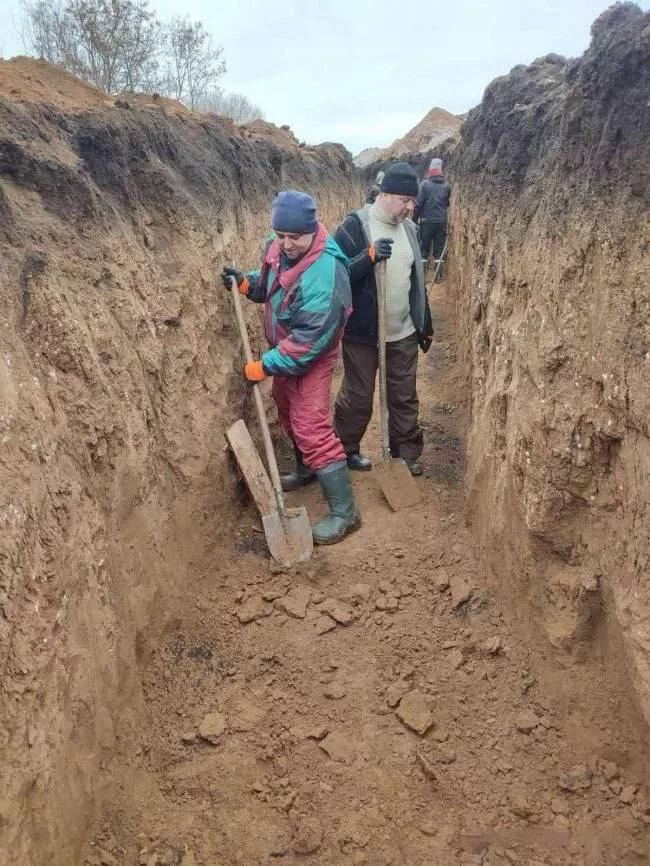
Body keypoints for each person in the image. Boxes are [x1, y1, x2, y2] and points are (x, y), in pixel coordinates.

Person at [221, 190, 360, 545]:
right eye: (280, 236)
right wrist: (250, 283)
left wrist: (264, 365)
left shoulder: (326, 273)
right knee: (286, 411)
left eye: (293, 237)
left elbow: (307, 343)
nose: (285, 244)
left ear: (312, 230)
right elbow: (272, 285)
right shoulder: (279, 243)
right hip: (284, 349)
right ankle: (306, 468)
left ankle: (346, 513)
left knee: (311, 425)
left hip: (311, 355)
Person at [332, 162, 433, 476]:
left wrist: (422, 322)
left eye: (412, 201)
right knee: (358, 396)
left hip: (401, 331)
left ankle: (404, 455)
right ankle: (346, 449)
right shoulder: (354, 227)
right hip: (362, 334)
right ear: (388, 194)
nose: (410, 207)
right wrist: (369, 257)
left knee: (403, 396)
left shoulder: (411, 230)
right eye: (406, 200)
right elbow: (336, 276)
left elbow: (416, 280)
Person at [413, 157, 451, 280]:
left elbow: (418, 204)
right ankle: (438, 277)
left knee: (424, 249)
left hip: (426, 222)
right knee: (439, 250)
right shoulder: (446, 185)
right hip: (441, 222)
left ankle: (422, 278)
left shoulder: (424, 185)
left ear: (430, 169)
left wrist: (414, 220)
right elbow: (446, 203)